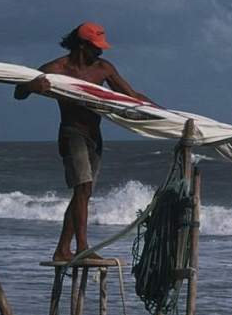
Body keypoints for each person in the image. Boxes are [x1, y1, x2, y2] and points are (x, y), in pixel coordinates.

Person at [14, 22, 154, 262]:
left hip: (94, 136)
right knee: (83, 189)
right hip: (71, 133)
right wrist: (32, 87)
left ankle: (62, 250)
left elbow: (132, 96)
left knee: (83, 193)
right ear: (81, 45)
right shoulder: (57, 68)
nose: (100, 52)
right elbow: (19, 92)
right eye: (95, 47)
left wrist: (162, 113)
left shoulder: (103, 69)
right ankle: (82, 249)